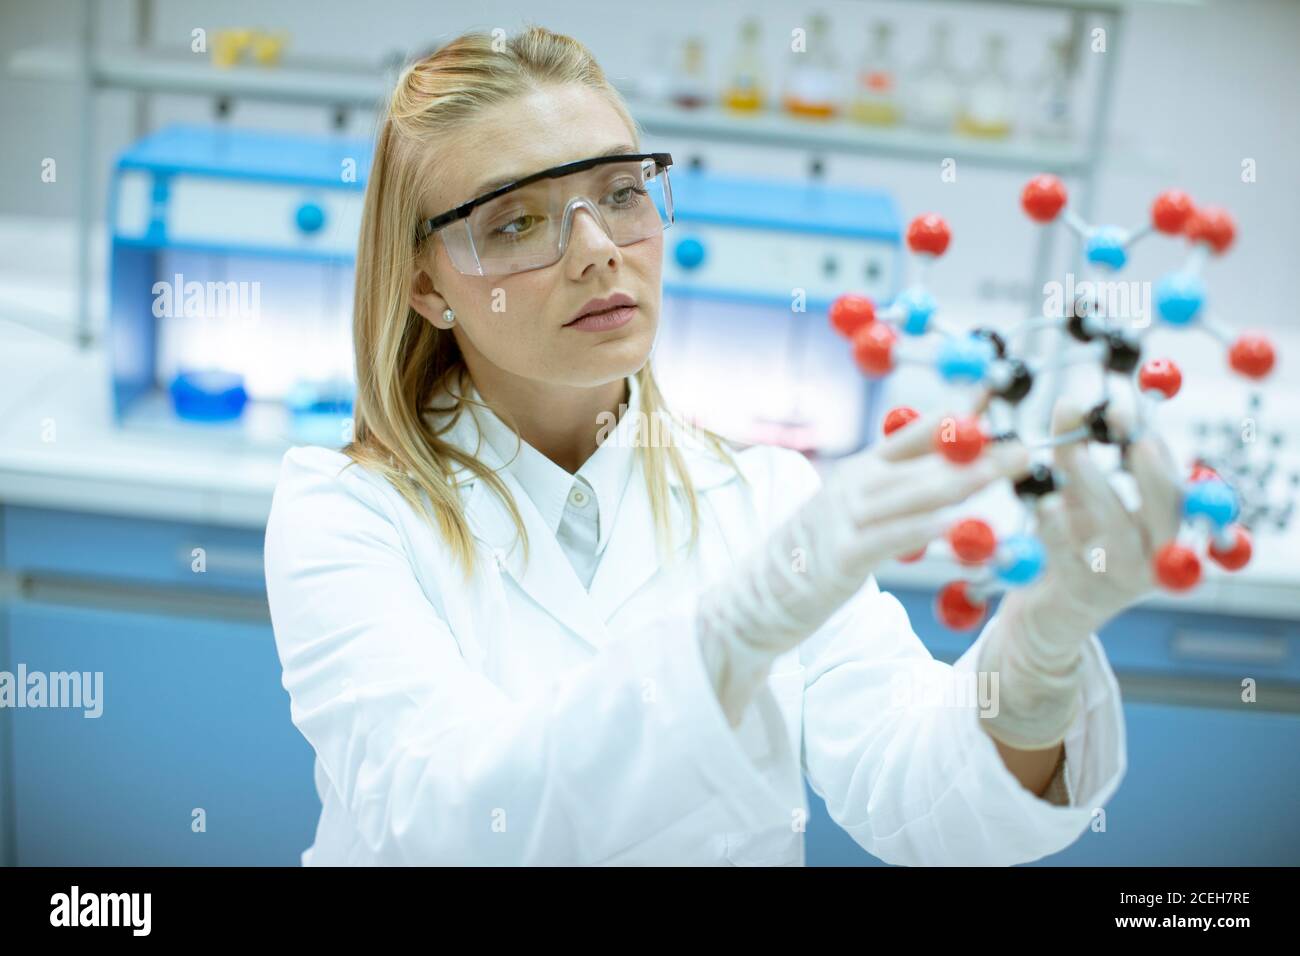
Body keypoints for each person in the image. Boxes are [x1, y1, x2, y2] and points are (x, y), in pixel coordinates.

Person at [263, 25, 1180, 866]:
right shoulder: (346, 516)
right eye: (517, 221)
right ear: (427, 287)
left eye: (621, 194)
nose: (597, 250)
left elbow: (919, 800)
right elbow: (450, 821)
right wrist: (731, 638)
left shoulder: (766, 497)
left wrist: (1033, 662)